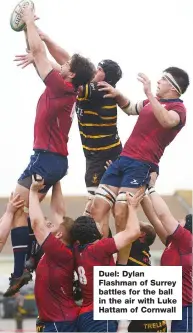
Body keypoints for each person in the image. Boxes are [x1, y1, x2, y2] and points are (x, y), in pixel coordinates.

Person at [4, 6, 95, 297]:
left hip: (46, 158)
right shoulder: (72, 87)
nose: (63, 65)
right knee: (27, 210)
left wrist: (30, 22)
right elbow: (56, 58)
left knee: (18, 208)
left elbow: (40, 53)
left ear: (70, 76)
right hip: (52, 159)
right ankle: (27, 261)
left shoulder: (59, 85)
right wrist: (38, 39)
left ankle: (24, 266)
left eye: (67, 66)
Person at [15, 30, 123, 237]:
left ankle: (101, 255)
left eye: (98, 70)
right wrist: (45, 41)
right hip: (93, 157)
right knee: (93, 212)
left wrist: (40, 58)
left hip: (106, 158)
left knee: (97, 211)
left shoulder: (100, 89)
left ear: (105, 78)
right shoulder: (86, 84)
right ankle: (96, 251)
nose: (94, 72)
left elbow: (66, 69)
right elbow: (68, 63)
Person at [90, 67, 189, 264]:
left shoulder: (178, 109)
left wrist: (150, 93)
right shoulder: (151, 102)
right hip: (123, 159)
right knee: (97, 209)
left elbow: (167, 121)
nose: (158, 81)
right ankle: (100, 260)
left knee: (121, 212)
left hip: (142, 165)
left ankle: (121, 267)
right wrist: (118, 95)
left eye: (163, 79)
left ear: (173, 87)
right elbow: (130, 107)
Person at [71, 188, 144, 332]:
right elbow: (133, 232)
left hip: (86, 314)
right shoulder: (98, 248)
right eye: (96, 224)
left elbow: (81, 224)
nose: (100, 225)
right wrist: (132, 208)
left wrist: (90, 203)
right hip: (99, 315)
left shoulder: (76, 249)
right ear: (93, 231)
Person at [28, 175, 79, 332]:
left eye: (53, 225)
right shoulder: (61, 249)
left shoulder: (60, 252)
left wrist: (33, 192)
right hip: (56, 320)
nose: (49, 222)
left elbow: (37, 224)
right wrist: (56, 178)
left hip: (60, 322)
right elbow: (58, 212)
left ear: (58, 235)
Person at [147, 173, 192, 332]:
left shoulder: (187, 239)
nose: (178, 220)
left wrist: (151, 187)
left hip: (187, 310)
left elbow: (164, 215)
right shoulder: (174, 242)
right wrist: (141, 190)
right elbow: (155, 219)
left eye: (182, 220)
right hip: (179, 309)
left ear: (187, 228)